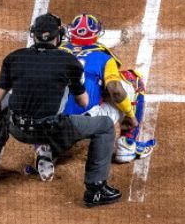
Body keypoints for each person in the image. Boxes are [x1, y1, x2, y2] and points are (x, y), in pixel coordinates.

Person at [0, 13, 122, 208]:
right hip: (55, 131)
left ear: (33, 35)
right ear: (59, 36)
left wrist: (2, 122)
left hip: (18, 130)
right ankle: (95, 190)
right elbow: (83, 102)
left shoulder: (14, 58)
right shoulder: (68, 61)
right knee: (104, 126)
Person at [60, 13, 155, 163]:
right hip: (86, 123)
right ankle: (127, 145)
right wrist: (130, 115)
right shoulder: (103, 57)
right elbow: (116, 91)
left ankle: (43, 148)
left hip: (54, 123)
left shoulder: (54, 54)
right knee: (132, 80)